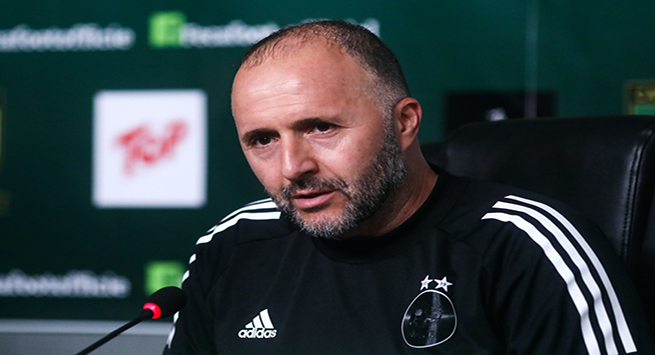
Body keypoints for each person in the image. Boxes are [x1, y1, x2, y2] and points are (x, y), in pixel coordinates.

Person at [164, 20, 653, 354]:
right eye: (262, 139)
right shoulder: (230, 248)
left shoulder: (527, 246)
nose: (292, 167)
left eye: (321, 127)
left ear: (403, 123)